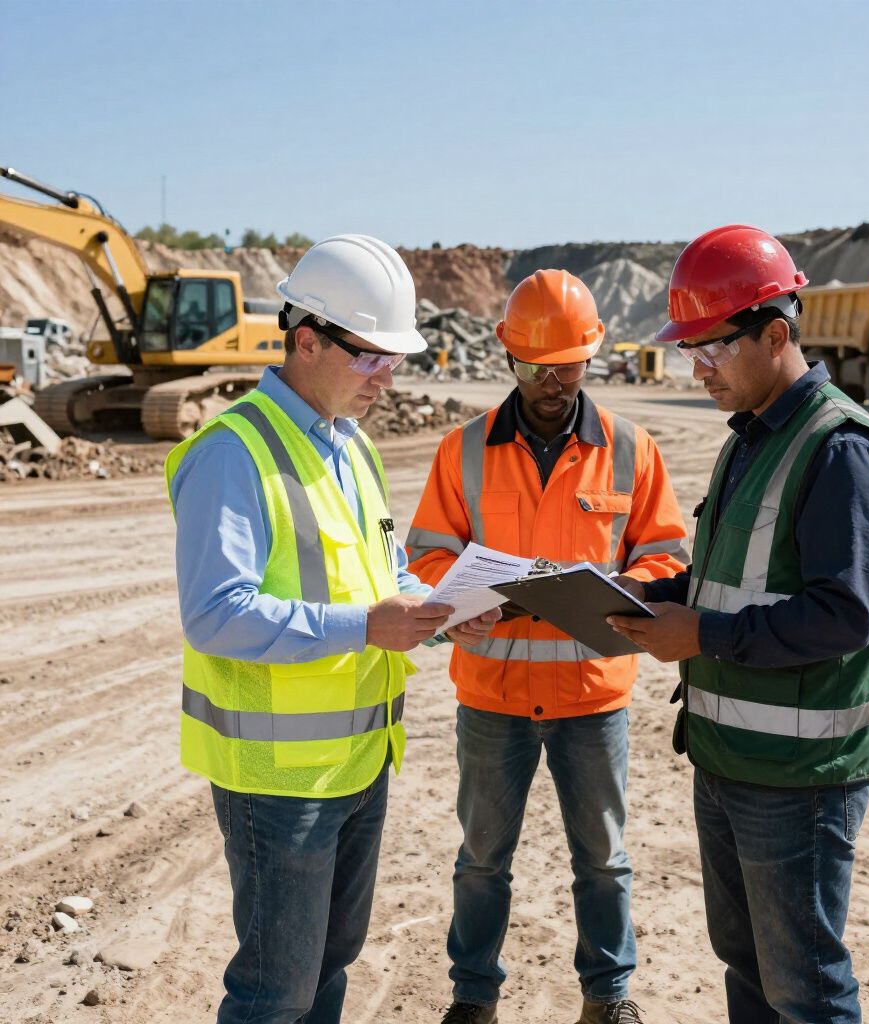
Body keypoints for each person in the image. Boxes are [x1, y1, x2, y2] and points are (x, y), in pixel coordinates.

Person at [166, 234, 496, 1024]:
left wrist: (448, 612)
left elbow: (383, 580)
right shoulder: (232, 453)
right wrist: (363, 627)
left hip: (358, 765)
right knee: (273, 992)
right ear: (306, 339)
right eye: (371, 357)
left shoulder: (353, 449)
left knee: (329, 970)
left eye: (394, 360)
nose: (386, 377)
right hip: (279, 781)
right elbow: (215, 613)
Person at [608, 225, 869, 1024]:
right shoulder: (749, 439)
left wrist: (699, 635)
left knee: (804, 987)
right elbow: (731, 580)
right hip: (730, 756)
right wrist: (641, 595)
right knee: (746, 970)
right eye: (689, 352)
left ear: (777, 334)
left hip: (801, 777)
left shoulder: (840, 451)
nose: (697, 368)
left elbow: (843, 614)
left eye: (713, 348)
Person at [405, 269, 689, 1024]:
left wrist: (622, 585)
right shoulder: (461, 451)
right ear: (508, 358)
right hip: (491, 695)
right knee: (481, 862)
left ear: (590, 356)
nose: (552, 381)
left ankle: (608, 997)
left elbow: (665, 554)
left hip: (593, 697)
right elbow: (427, 554)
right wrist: (450, 603)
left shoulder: (632, 450)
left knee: (603, 862)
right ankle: (473, 998)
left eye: (567, 365)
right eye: (536, 367)